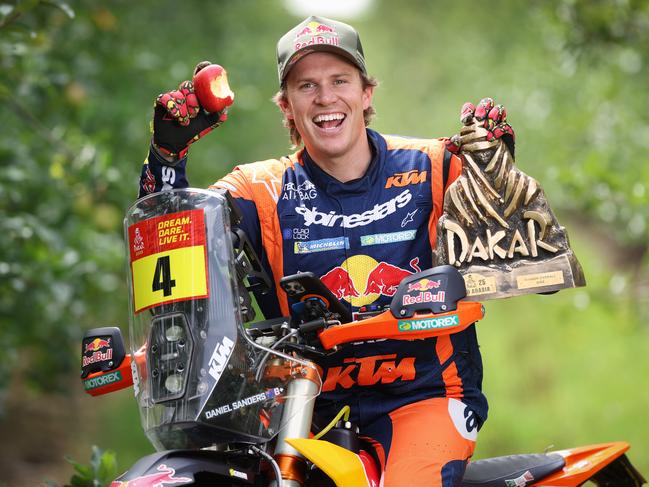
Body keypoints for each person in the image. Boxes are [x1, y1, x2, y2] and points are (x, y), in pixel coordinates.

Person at [139, 15, 515, 487]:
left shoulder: (434, 166)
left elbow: (516, 245)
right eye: (306, 85)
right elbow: (168, 239)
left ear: (366, 93)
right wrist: (167, 157)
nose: (325, 98)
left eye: (340, 81)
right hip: (299, 407)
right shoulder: (258, 189)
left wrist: (496, 165)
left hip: (426, 395)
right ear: (287, 106)